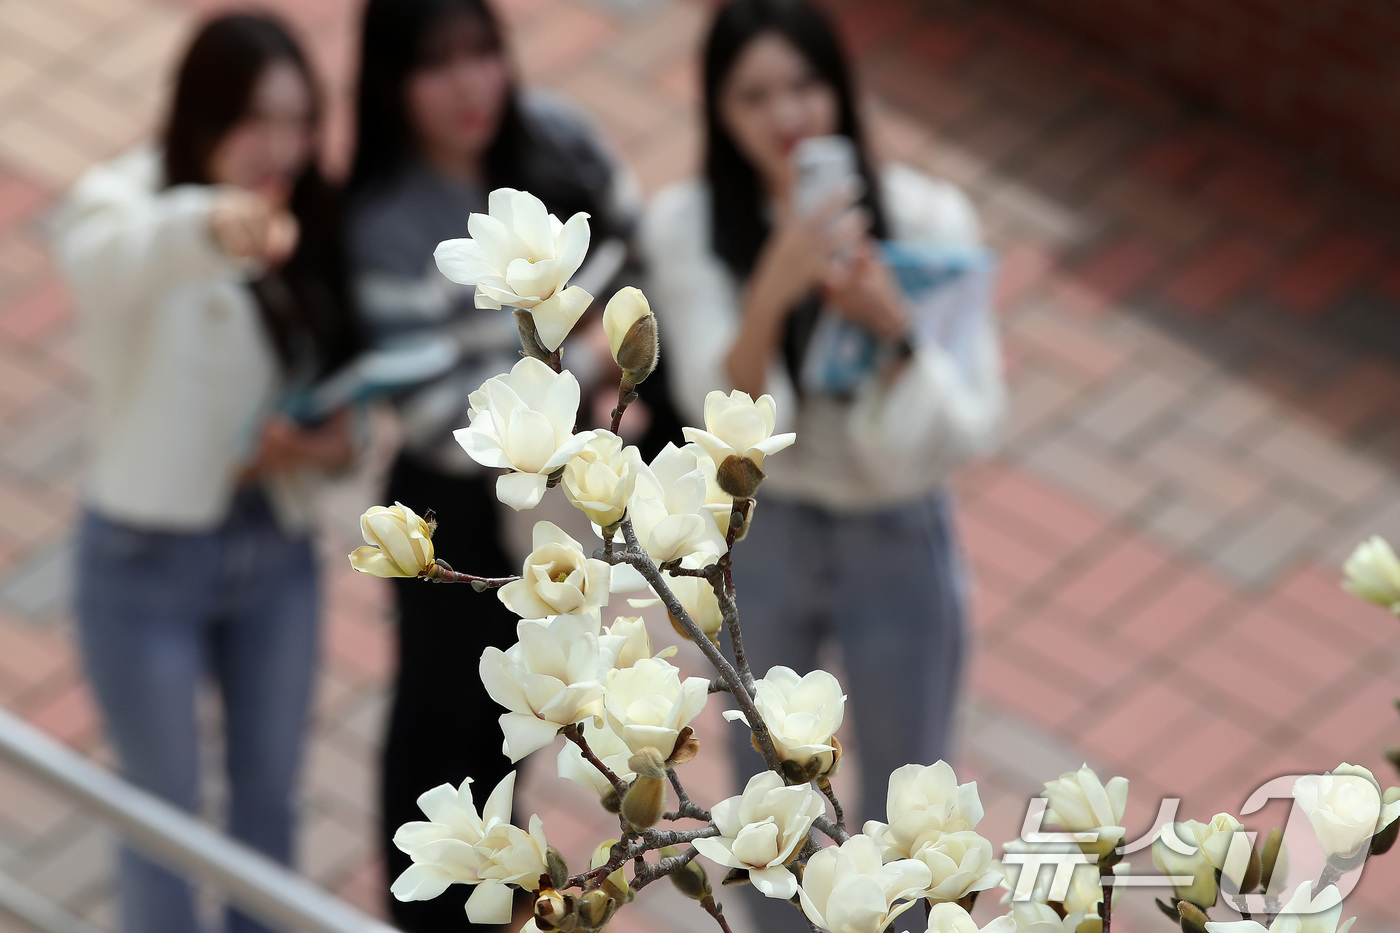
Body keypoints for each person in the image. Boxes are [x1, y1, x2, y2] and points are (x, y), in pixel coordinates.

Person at [642, 0, 1003, 926]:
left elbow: (970, 422)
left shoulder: (928, 218)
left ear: (841, 90)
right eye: (753, 95)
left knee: (912, 795)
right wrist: (775, 285)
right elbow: (718, 410)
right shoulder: (688, 226)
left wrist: (893, 330)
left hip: (895, 527)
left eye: (805, 85)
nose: (786, 116)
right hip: (764, 532)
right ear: (718, 110)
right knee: (771, 799)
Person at [50, 13, 360, 933]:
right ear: (203, 109)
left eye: (300, 121)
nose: (282, 147)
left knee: (270, 804)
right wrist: (212, 223)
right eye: (257, 118)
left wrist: (320, 448)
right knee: (163, 819)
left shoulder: (313, 215)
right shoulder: (126, 200)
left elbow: (348, 391)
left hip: (275, 544)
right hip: (144, 558)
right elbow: (106, 260)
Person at [345, 0, 639, 926]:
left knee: (529, 714)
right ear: (392, 83)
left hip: (575, 479)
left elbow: (640, 260)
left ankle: (507, 891)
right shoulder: (383, 223)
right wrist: (590, 361)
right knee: (446, 719)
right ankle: (435, 902)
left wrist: (580, 375)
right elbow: (441, 416)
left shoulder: (556, 140)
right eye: (436, 64)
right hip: (457, 508)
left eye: (481, 52)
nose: (469, 84)